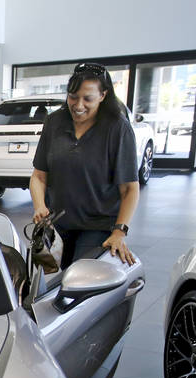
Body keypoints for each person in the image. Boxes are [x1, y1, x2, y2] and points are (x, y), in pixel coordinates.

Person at [30, 62, 138, 267]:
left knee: (79, 280)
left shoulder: (117, 127)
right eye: (73, 97)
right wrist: (39, 206)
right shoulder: (54, 122)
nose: (78, 105)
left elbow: (129, 189)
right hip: (57, 225)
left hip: (97, 226)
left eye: (87, 99)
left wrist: (119, 232)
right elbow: (39, 176)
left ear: (103, 96)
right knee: (46, 285)